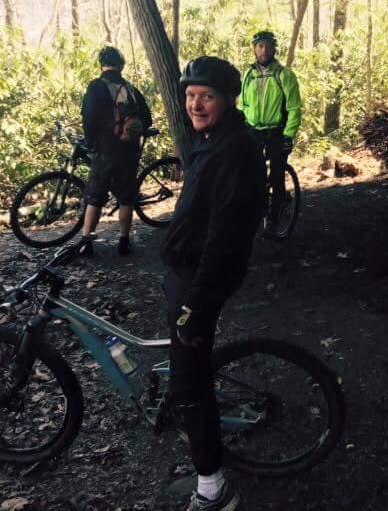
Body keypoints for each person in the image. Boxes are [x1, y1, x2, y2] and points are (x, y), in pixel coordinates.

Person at [157, 56, 266, 511]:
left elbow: (224, 240)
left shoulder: (234, 151)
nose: (195, 104)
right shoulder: (212, 139)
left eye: (206, 97)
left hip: (203, 278)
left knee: (189, 382)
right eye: (190, 96)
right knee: (186, 363)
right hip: (188, 270)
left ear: (226, 100)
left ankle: (212, 486)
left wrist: (195, 309)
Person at [79, 46, 152, 256]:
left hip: (105, 150)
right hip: (129, 151)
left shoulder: (96, 87)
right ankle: (123, 241)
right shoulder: (130, 89)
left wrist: (92, 144)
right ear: (121, 65)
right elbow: (146, 118)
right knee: (126, 198)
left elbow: (89, 119)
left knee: (95, 196)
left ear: (101, 64)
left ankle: (87, 242)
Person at [239, 30, 302, 238]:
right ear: (254, 49)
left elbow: (294, 108)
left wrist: (288, 135)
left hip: (277, 133)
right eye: (259, 46)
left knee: (276, 177)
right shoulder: (248, 74)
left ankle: (273, 223)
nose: (263, 50)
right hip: (253, 132)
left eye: (267, 46)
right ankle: (255, 211)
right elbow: (244, 103)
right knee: (250, 175)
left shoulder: (284, 75)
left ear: (274, 49)